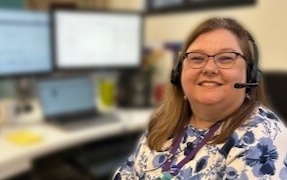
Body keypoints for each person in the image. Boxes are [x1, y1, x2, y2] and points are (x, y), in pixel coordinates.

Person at [113, 17, 287, 179]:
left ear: (250, 75)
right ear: (178, 72)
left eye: (226, 58)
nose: (209, 68)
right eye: (197, 58)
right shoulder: (165, 121)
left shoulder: (263, 137)